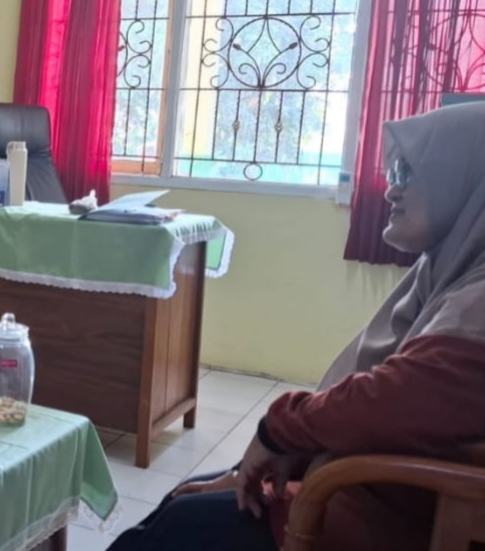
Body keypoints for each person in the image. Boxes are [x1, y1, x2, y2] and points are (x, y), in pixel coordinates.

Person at [108, 101, 485, 551]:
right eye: (392, 173)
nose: (390, 192)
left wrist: (281, 427)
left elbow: (401, 399)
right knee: (178, 504)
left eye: (407, 174)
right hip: (358, 483)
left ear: (464, 182)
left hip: (383, 514)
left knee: (174, 525)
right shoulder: (449, 272)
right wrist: (292, 452)